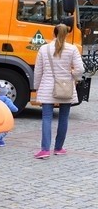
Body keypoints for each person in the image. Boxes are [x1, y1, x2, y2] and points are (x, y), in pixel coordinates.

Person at [33, 24, 84, 159]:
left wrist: (37, 87)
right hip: (66, 88)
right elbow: (80, 69)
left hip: (47, 88)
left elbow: (38, 70)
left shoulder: (44, 49)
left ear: (53, 33)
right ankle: (58, 148)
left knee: (46, 118)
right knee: (63, 118)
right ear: (66, 34)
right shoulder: (72, 49)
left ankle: (44, 149)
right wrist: (73, 76)